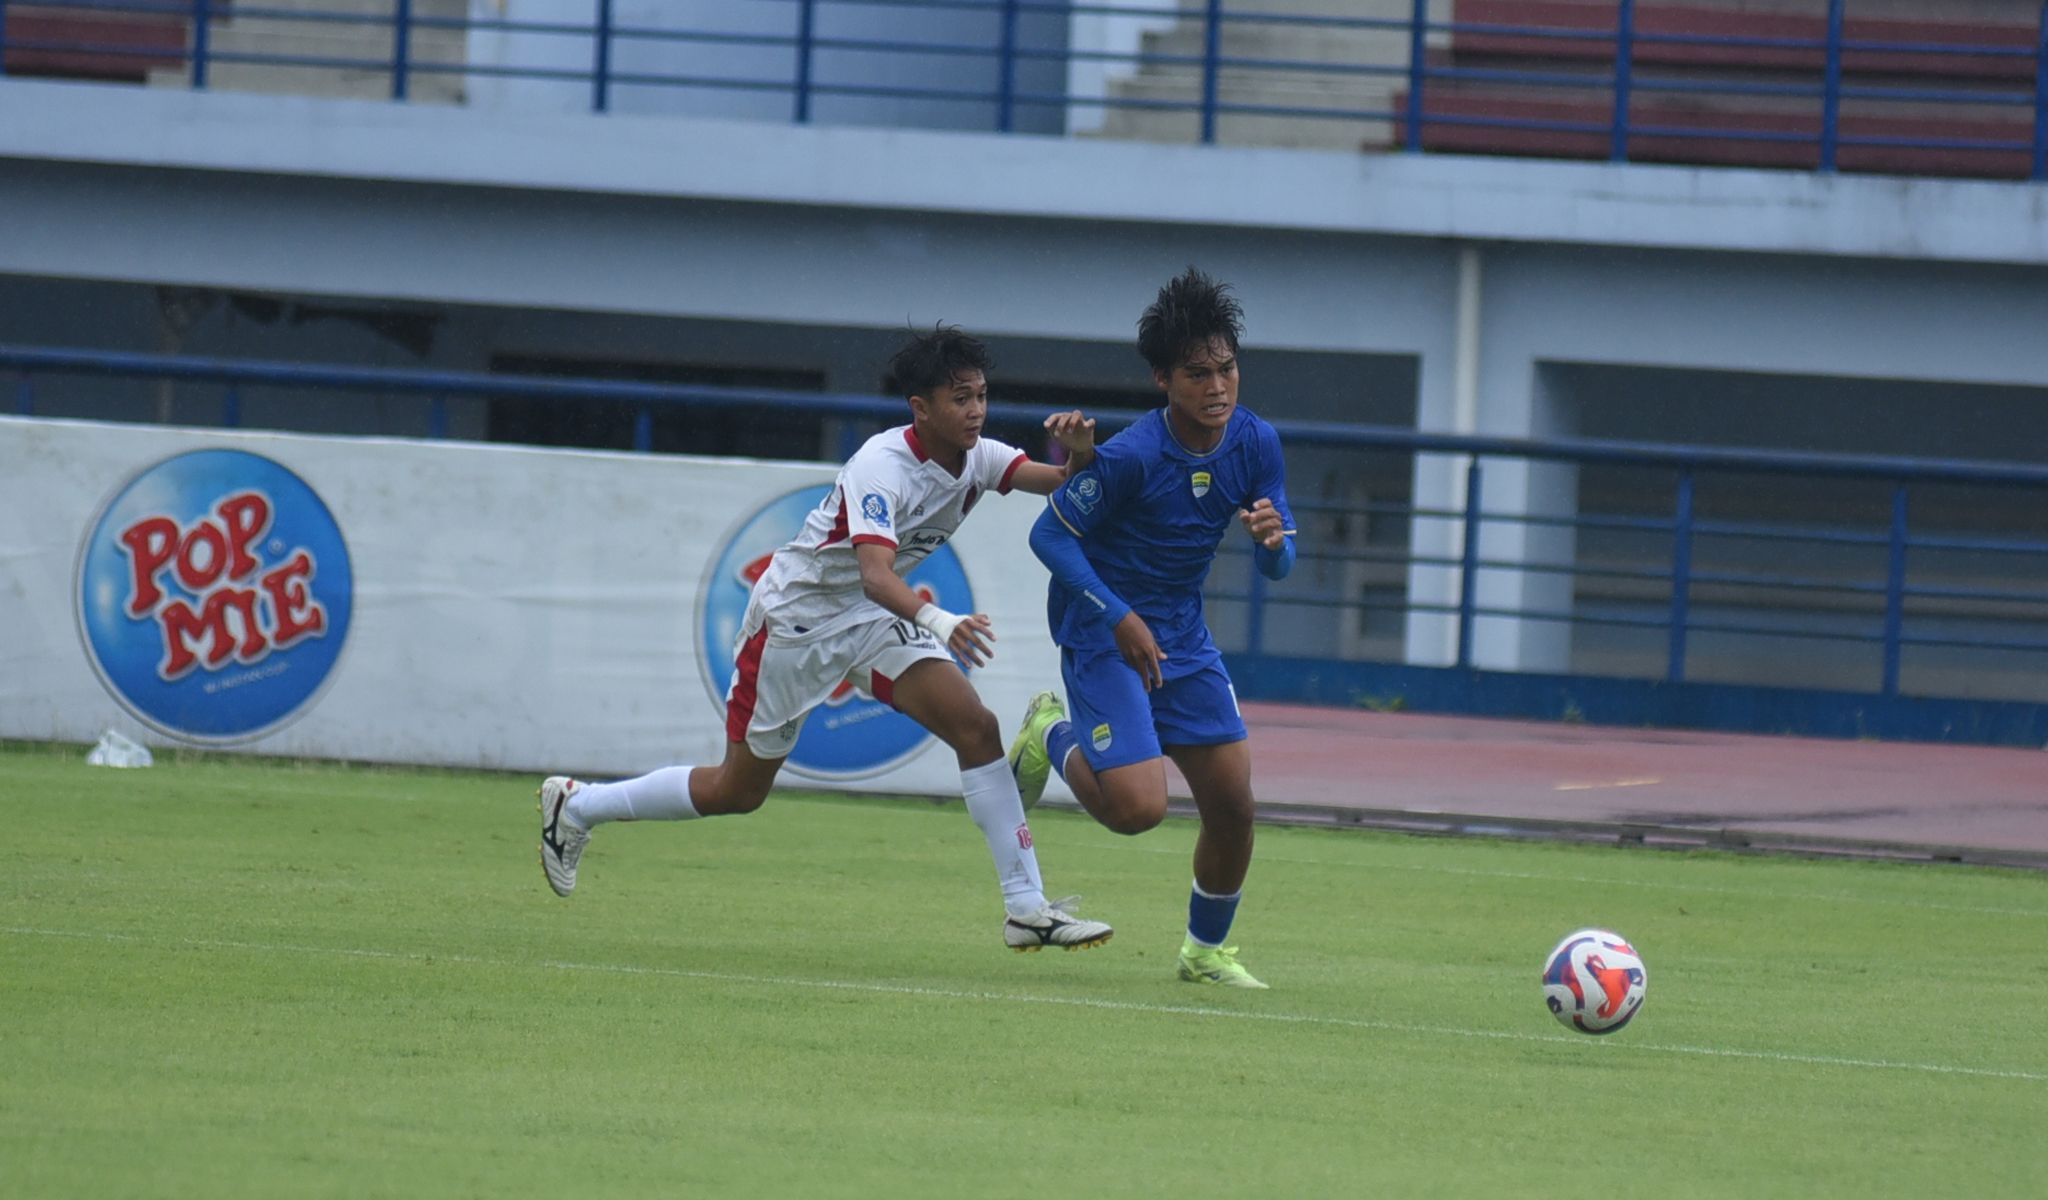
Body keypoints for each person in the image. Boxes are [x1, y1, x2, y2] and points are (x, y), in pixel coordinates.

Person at [539, 325, 1113, 953]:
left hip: (866, 622)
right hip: (795, 624)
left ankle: (1026, 907)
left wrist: (1079, 454)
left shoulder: (980, 455)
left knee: (975, 726)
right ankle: (579, 805)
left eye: (980, 395)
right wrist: (941, 623)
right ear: (920, 409)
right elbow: (874, 576)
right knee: (739, 790)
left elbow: (1063, 490)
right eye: (959, 398)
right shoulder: (880, 467)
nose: (976, 411)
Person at [1010, 267, 1295, 988]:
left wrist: (1275, 542)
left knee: (1233, 806)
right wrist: (1120, 615)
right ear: (1162, 380)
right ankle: (1050, 731)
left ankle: (1204, 953)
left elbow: (1282, 565)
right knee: (1137, 811)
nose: (1218, 387)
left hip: (1181, 636)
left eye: (1227, 368)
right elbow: (1049, 538)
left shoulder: (1256, 442)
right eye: (1198, 373)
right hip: (1103, 629)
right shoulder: (1133, 456)